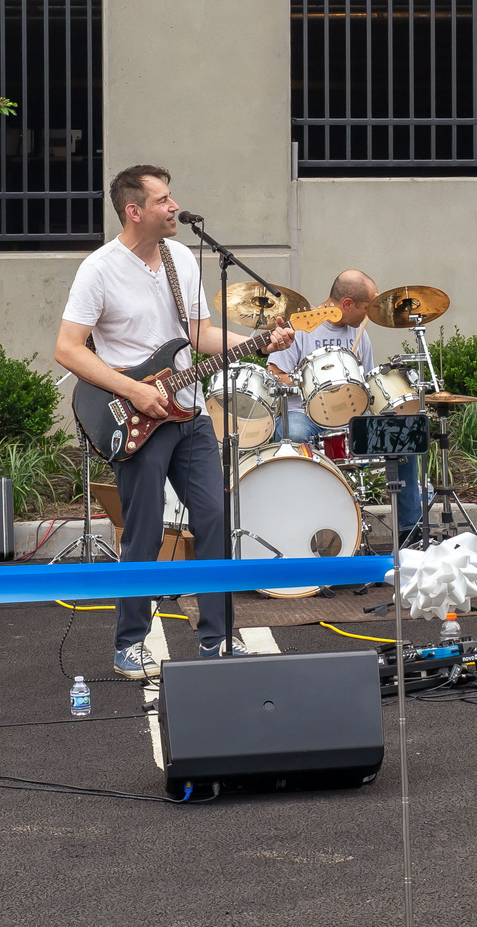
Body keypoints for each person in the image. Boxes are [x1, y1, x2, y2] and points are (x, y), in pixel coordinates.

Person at [55, 165, 295, 677]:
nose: (174, 207)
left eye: (172, 197)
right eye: (163, 200)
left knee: (215, 518)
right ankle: (128, 642)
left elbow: (200, 336)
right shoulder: (98, 270)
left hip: (188, 412)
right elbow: (67, 349)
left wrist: (257, 345)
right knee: (141, 533)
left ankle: (216, 639)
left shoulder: (181, 258)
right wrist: (134, 389)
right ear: (133, 210)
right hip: (135, 417)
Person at [268, 269, 426, 541]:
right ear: (348, 304)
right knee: (292, 433)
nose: (369, 316)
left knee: (404, 436)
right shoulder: (302, 327)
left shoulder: (359, 334)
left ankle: (409, 533)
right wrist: (309, 387)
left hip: (351, 421)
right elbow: (274, 373)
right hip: (305, 416)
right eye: (367, 308)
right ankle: (297, 531)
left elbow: (366, 384)